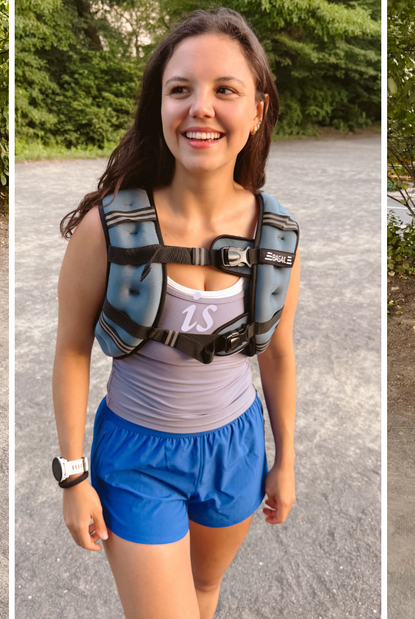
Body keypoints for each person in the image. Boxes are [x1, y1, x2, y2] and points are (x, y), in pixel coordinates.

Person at [50, 9, 300, 619]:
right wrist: (73, 476)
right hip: (137, 455)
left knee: (205, 592)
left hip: (237, 449)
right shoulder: (105, 228)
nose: (201, 108)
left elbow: (279, 353)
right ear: (159, 105)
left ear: (258, 110)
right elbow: (71, 350)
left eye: (225, 90)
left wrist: (286, 461)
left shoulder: (278, 233)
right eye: (180, 89)